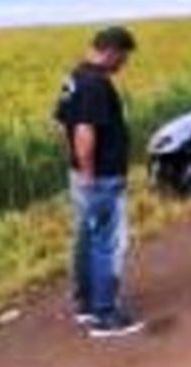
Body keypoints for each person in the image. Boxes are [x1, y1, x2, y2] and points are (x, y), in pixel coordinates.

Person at [53, 26, 142, 337]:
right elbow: (84, 131)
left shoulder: (74, 78)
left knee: (86, 240)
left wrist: (77, 167)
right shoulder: (95, 84)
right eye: (124, 57)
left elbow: (60, 125)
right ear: (111, 51)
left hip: (81, 176)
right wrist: (90, 174)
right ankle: (105, 314)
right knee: (108, 244)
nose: (123, 65)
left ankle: (85, 306)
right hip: (100, 178)